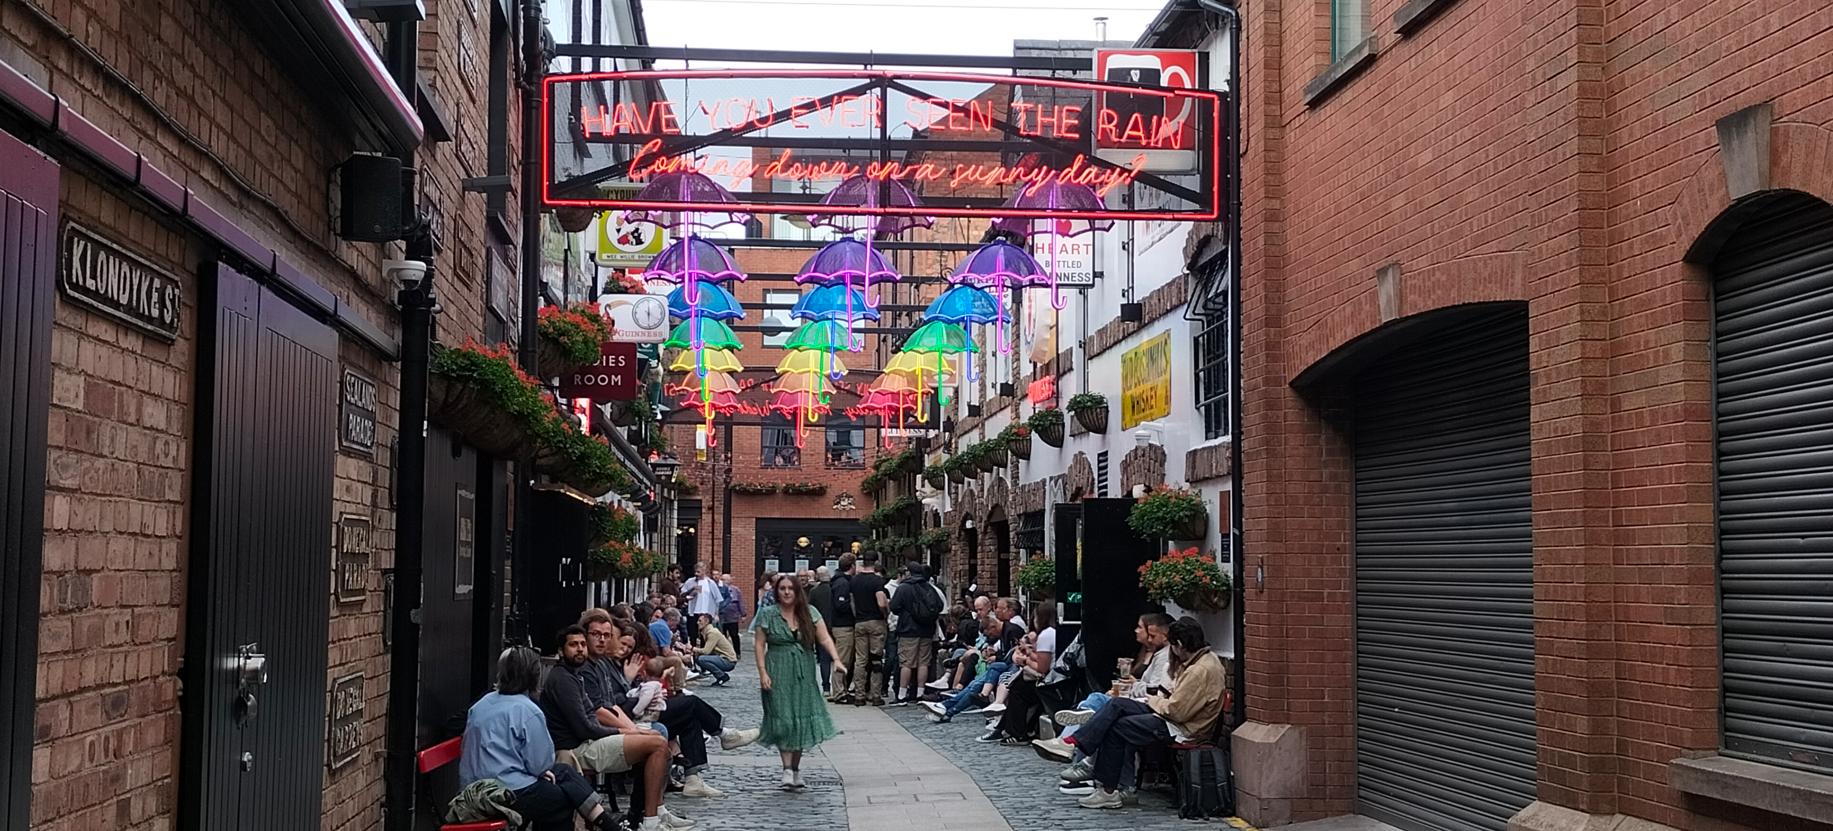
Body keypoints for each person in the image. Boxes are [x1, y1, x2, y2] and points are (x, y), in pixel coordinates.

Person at [458, 646, 626, 831]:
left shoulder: (482, 704)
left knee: (563, 772)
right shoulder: (529, 710)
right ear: (534, 675)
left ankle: (607, 824)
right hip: (505, 791)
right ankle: (607, 824)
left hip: (473, 788)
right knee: (561, 800)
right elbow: (541, 764)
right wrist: (541, 771)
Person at [537, 626, 690, 829]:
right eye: (574, 645)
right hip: (575, 750)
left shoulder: (576, 675)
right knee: (657, 744)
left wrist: (633, 731)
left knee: (658, 741)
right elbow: (585, 728)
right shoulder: (563, 680)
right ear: (561, 650)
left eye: (582, 644)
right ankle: (650, 821)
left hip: (590, 741)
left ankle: (648, 815)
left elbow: (594, 712)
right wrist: (626, 731)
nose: (580, 649)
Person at [1066, 617, 1226, 810]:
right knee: (1117, 705)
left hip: (1180, 727)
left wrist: (1153, 700)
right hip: (1173, 717)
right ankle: (1075, 744)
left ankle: (1106, 788)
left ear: (1180, 645)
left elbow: (1176, 711)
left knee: (1117, 727)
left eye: (1173, 646)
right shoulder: (1204, 659)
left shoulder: (1198, 671)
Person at [754, 573, 844, 790]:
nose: (786, 592)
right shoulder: (767, 614)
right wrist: (763, 672)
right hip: (777, 667)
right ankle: (786, 769)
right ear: (777, 591)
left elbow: (823, 637)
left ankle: (795, 768)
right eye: (782, 588)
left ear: (797, 592)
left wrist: (836, 659)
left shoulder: (810, 613)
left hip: (803, 668)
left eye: (790, 589)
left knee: (800, 719)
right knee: (783, 718)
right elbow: (759, 645)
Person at [923, 597, 1025, 722]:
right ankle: (946, 708)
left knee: (975, 685)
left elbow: (1011, 655)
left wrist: (995, 656)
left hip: (1007, 669)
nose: (997, 611)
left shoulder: (1011, 630)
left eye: (999, 608)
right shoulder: (1006, 630)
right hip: (1002, 667)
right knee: (973, 685)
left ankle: (947, 708)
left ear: (992, 627)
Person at [889, 562, 945, 703]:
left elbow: (894, 607)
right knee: (923, 662)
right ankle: (920, 693)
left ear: (909, 572)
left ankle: (902, 694)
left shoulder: (904, 588)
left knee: (906, 663)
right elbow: (939, 606)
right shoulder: (929, 587)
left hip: (908, 630)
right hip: (926, 630)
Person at [845, 551, 891, 705]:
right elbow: (881, 603)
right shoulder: (877, 581)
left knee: (860, 660)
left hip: (860, 622)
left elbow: (851, 601)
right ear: (875, 562)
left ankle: (859, 695)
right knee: (876, 659)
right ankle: (875, 695)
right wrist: (884, 614)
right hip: (876, 621)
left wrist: (857, 615)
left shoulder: (854, 580)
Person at [825, 554, 857, 702]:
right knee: (843, 660)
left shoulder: (837, 581)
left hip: (839, 625)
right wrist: (853, 612)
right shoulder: (843, 583)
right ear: (852, 566)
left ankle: (838, 690)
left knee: (842, 659)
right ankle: (839, 692)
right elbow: (841, 604)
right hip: (843, 625)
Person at [808, 567, 838, 695]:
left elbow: (810, 609)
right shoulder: (834, 589)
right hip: (837, 626)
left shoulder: (814, 591)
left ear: (818, 576)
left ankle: (826, 687)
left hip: (820, 628)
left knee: (824, 659)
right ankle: (839, 686)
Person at [692, 613, 738, 686]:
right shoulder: (708, 632)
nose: (698, 623)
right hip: (724, 658)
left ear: (706, 621)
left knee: (701, 659)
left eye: (700, 621)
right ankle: (720, 676)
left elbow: (706, 651)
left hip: (728, 660)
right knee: (700, 658)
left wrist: (692, 649)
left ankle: (721, 676)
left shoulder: (712, 633)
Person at [681, 562, 721, 645]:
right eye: (695, 572)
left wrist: (716, 613)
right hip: (693, 611)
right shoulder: (690, 581)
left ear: (704, 571)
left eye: (698, 572)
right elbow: (682, 593)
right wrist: (691, 591)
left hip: (706, 612)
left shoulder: (710, 583)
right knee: (693, 633)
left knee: (705, 634)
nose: (696, 574)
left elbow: (717, 598)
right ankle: (693, 650)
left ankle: (703, 651)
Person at [717, 573, 744, 659]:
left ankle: (737, 652)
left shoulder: (736, 590)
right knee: (722, 635)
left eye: (726, 579)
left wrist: (743, 614)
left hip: (733, 616)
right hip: (722, 616)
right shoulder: (719, 589)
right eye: (723, 579)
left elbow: (740, 602)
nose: (724, 581)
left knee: (734, 635)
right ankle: (725, 652)